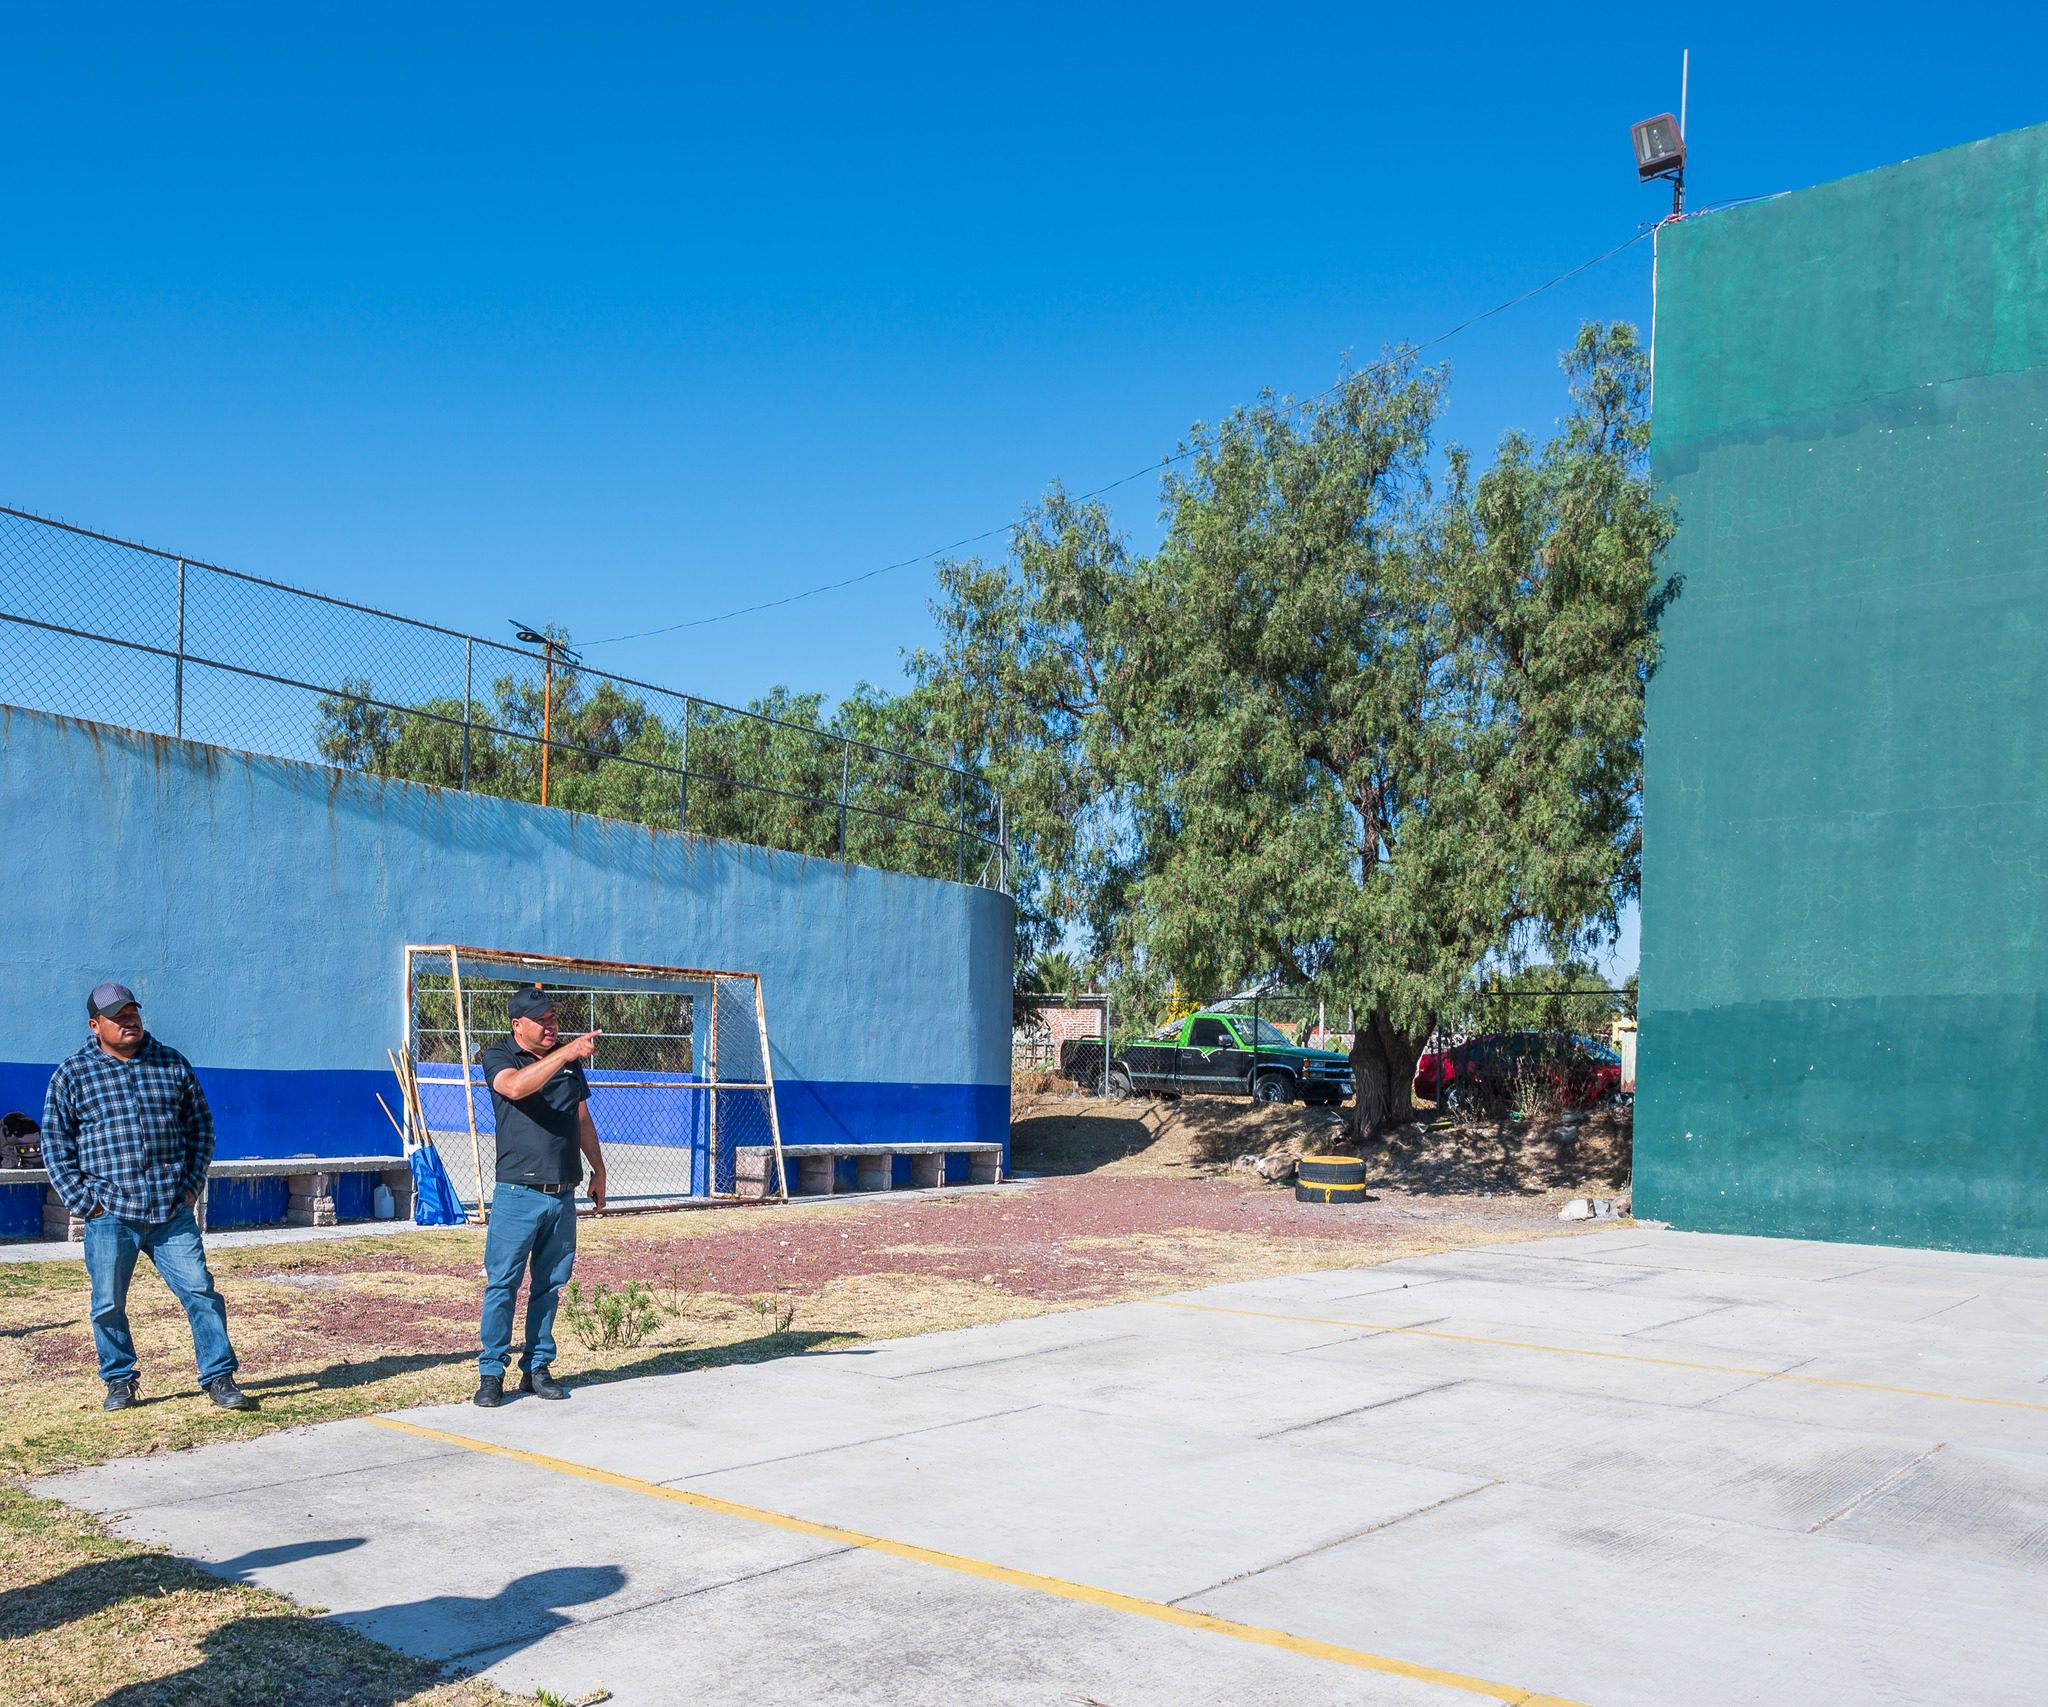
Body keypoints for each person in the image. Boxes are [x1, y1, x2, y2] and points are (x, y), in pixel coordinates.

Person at [41, 982, 253, 1413]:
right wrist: (86, 1204)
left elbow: (201, 1130)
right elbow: (55, 1144)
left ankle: (219, 1378)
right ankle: (119, 1380)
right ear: (95, 1025)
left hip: (170, 1211)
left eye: (132, 1012)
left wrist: (191, 1187)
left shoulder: (171, 1064)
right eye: (117, 1017)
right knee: (107, 1304)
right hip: (110, 1213)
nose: (128, 1021)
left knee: (201, 1293)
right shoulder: (72, 1074)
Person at [474, 985, 607, 1407]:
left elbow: (582, 1119)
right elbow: (513, 1088)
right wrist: (564, 1054)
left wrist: (599, 1169)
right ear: (518, 1024)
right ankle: (491, 1372)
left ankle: (537, 1367)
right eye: (542, 1019)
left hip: (562, 1193)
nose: (552, 1025)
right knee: (503, 1285)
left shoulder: (569, 1067)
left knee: (549, 1285)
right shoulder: (499, 1056)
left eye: (554, 1018)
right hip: (518, 1193)